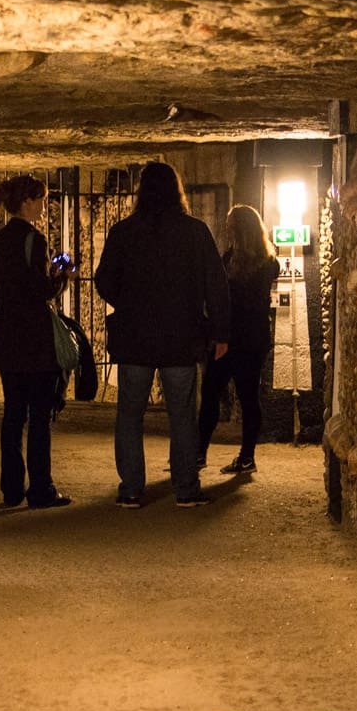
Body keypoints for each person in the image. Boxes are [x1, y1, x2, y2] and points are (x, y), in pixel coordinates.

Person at [94, 161, 230, 509]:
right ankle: (185, 488)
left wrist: (128, 301)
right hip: (181, 339)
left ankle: (131, 489)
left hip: (135, 338)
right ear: (177, 190)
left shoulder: (124, 232)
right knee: (183, 414)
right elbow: (216, 286)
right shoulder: (196, 232)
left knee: (129, 414)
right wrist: (220, 331)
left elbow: (104, 281)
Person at [0, 175, 73, 509]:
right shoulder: (34, 239)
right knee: (39, 416)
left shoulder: (0, 239)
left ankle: (11, 489)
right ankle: (41, 489)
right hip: (35, 340)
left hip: (9, 336)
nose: (43, 206)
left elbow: (11, 285)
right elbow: (39, 291)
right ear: (27, 202)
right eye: (40, 200)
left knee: (13, 415)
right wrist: (61, 279)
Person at [197, 205, 281, 475]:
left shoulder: (229, 261)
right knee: (248, 397)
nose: (226, 228)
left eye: (230, 224)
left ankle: (199, 453)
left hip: (230, 339)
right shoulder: (269, 263)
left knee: (211, 393)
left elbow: (225, 301)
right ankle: (246, 457)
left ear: (239, 229)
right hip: (254, 339)